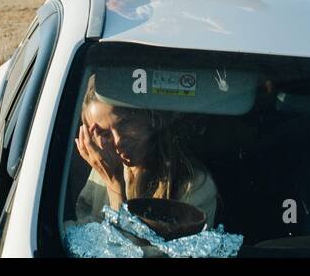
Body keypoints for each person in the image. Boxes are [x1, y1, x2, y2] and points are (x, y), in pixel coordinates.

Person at [74, 74, 218, 227]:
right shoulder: (107, 168)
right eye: (104, 133)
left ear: (148, 117)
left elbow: (121, 250)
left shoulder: (194, 186)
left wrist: (115, 187)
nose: (118, 141)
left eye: (124, 124)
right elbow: (86, 232)